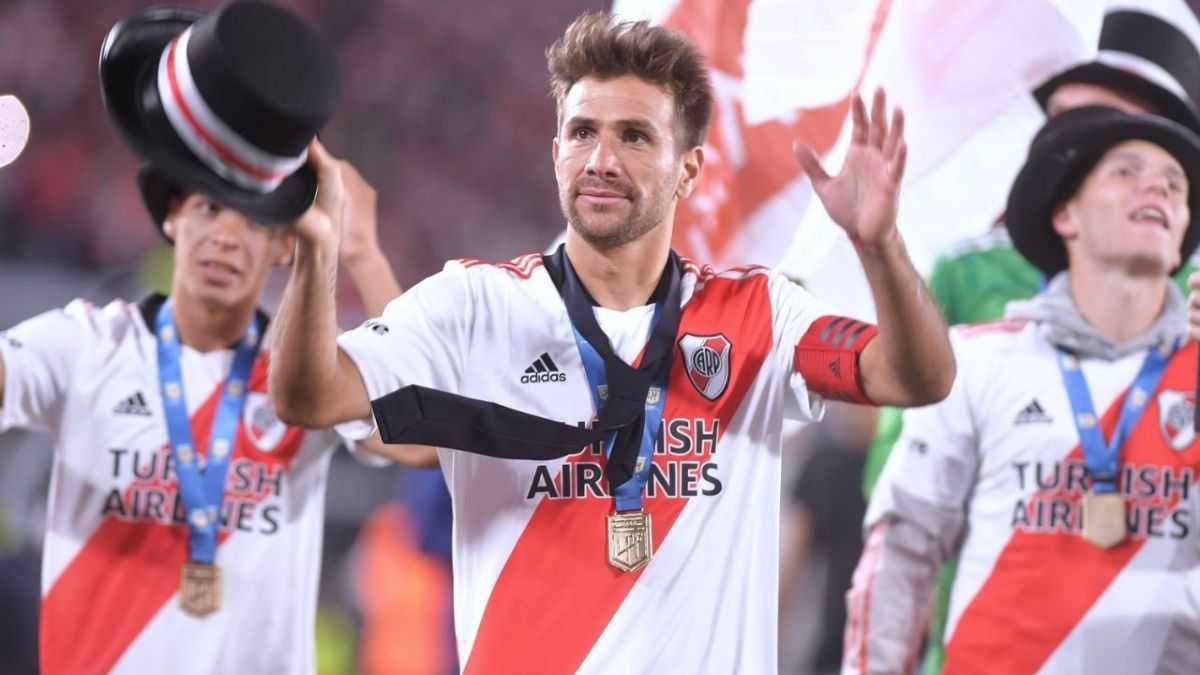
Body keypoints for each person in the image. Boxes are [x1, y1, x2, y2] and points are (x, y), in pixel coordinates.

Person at [269, 11, 954, 673]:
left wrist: (880, 246)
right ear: (556, 154)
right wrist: (317, 250)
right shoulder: (474, 306)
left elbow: (915, 377)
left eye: (634, 136)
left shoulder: (759, 313)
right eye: (582, 132)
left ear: (689, 169)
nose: (601, 159)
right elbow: (310, 395)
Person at [0, 4, 424, 674]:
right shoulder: (86, 345)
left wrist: (361, 253)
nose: (227, 235)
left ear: (284, 246)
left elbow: (421, 439)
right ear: (172, 217)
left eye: (255, 222)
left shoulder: (307, 375)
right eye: (208, 208)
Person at [858, 9, 1200, 671]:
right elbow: (899, 500)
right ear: (1065, 209)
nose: (1061, 134)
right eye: (1059, 116)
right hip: (989, 633)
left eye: (1097, 119)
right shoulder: (969, 281)